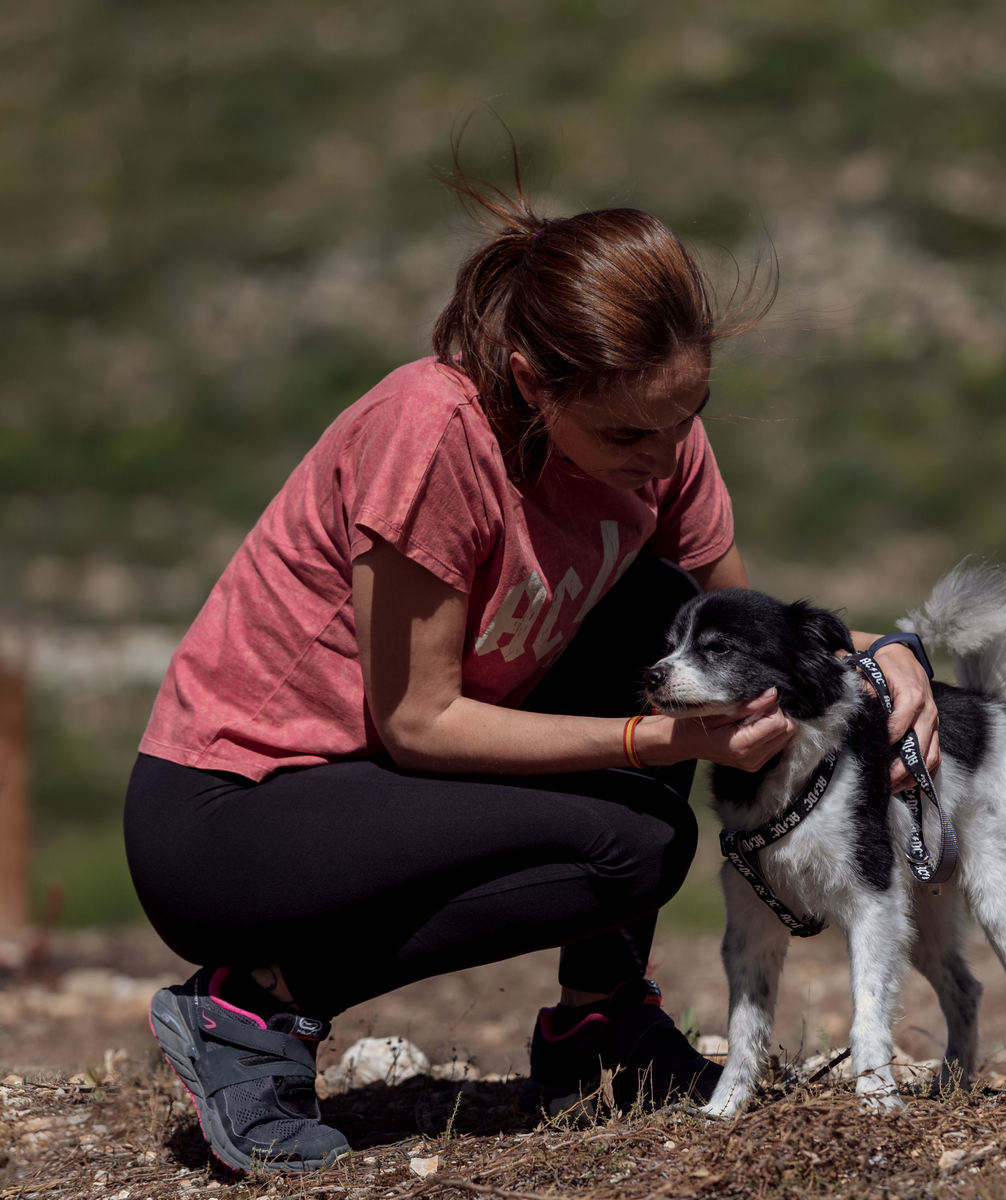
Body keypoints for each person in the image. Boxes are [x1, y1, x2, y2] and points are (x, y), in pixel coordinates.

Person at [124, 160, 940, 1175]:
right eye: (628, 432)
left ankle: (599, 1028)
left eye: (688, 415)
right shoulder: (435, 432)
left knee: (668, 618)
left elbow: (746, 628)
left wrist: (883, 658)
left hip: (391, 785)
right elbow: (418, 721)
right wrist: (652, 741)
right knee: (629, 847)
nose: (666, 451)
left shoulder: (659, 440)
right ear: (530, 382)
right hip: (233, 810)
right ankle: (251, 1006)